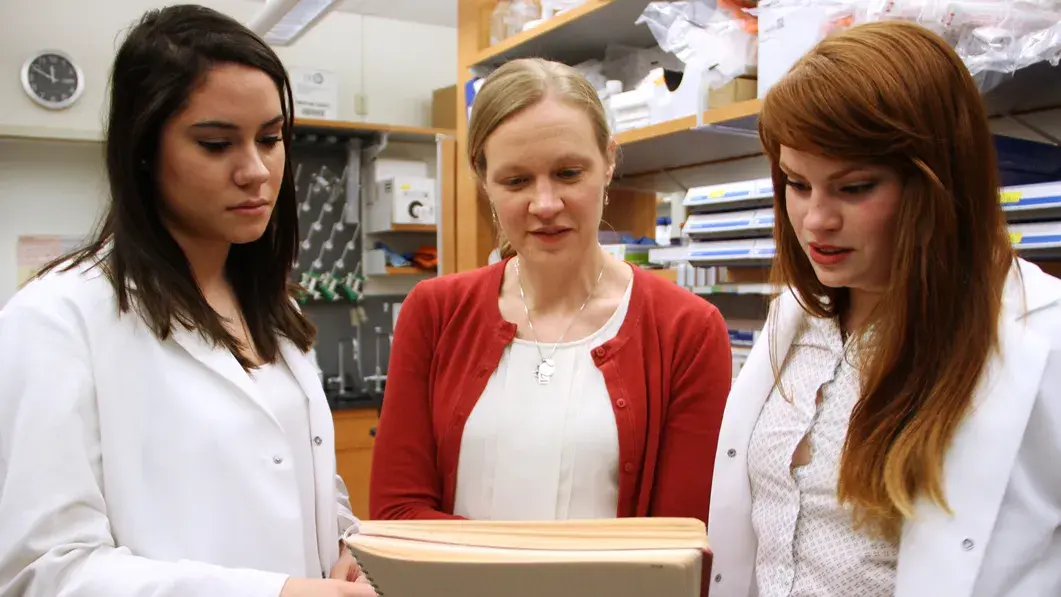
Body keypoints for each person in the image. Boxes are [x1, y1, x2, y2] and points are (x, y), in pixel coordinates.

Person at [0, 6, 374, 597]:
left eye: (271, 139)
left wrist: (351, 546)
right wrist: (277, 594)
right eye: (217, 143)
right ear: (144, 149)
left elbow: (306, 485)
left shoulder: (272, 310)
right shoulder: (57, 319)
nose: (256, 171)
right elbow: (43, 570)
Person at [707, 21, 1061, 597]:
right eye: (797, 184)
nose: (816, 220)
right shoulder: (797, 323)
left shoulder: (1040, 335)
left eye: (854, 188)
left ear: (937, 181)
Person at [369, 58, 733, 530]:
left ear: (608, 162)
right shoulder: (436, 312)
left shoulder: (686, 329)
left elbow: (680, 541)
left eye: (568, 173)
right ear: (483, 181)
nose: (545, 205)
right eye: (516, 180)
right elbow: (397, 512)